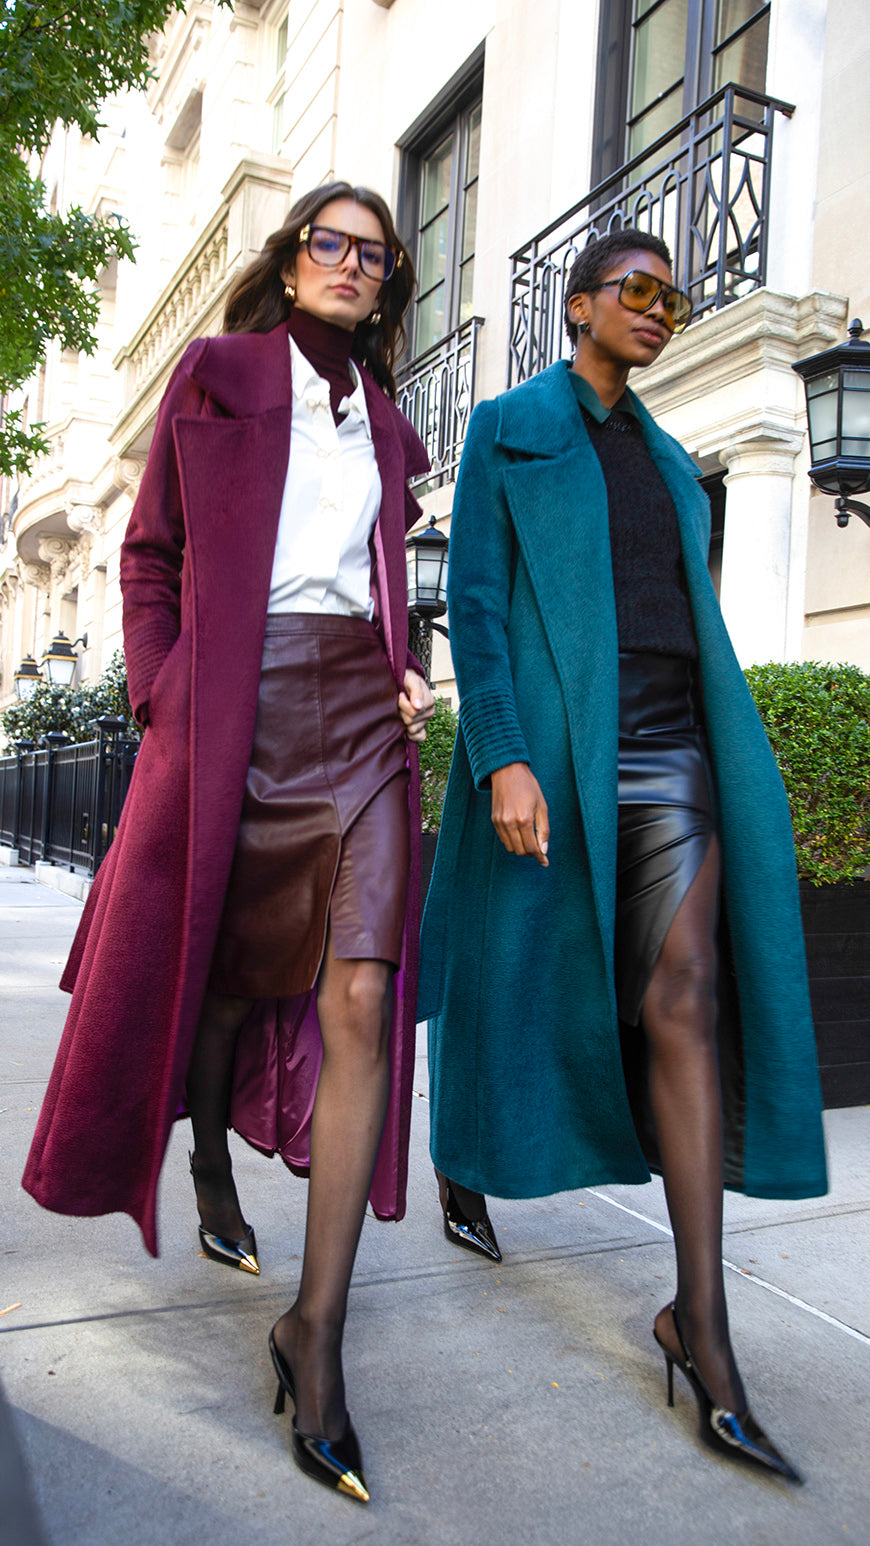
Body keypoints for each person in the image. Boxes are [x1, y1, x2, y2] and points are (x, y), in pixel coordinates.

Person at [23, 181, 434, 1505]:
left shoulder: (382, 420)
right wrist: (163, 692)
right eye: (330, 243)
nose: (351, 265)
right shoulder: (216, 373)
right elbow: (148, 556)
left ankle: (315, 1331)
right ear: (290, 260)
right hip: (234, 703)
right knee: (221, 966)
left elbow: (376, 571)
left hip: (359, 714)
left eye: (374, 254)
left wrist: (402, 663)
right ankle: (204, 1154)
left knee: (362, 990)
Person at [419, 228, 827, 1482]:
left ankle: (698, 1323)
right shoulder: (507, 427)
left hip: (677, 752)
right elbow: (475, 605)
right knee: (514, 980)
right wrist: (504, 754)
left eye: (674, 295)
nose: (660, 309)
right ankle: (465, 1156)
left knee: (686, 997)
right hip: (559, 746)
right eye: (637, 291)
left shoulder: (668, 458)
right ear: (581, 306)